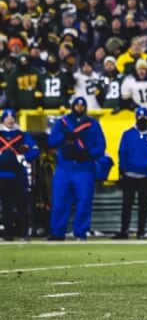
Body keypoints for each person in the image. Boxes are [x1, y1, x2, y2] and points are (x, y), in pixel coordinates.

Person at [47, 97, 106, 241]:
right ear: (72, 106)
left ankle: (80, 232)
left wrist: (89, 154)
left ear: (85, 107)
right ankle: (57, 232)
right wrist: (64, 136)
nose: (79, 107)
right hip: (64, 167)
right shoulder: (63, 122)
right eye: (77, 105)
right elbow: (51, 141)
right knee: (59, 201)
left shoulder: (93, 124)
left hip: (84, 168)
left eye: (82, 105)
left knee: (84, 201)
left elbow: (101, 145)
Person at [115, 107, 147, 239]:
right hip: (129, 174)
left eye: (144, 116)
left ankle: (141, 231)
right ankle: (124, 230)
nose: (142, 119)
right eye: (140, 116)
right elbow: (122, 153)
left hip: (145, 175)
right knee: (127, 205)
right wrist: (121, 170)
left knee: (143, 205)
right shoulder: (128, 134)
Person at [0, 109, 39, 241]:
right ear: (3, 119)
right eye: (7, 117)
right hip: (2, 174)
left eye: (12, 117)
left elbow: (35, 149)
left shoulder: (22, 135)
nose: (10, 120)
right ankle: (8, 234)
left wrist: (24, 157)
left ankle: (24, 232)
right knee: (6, 206)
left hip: (18, 175)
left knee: (22, 205)